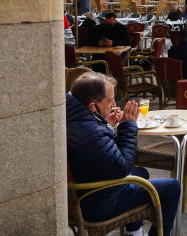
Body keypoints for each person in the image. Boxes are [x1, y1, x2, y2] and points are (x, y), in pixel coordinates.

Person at [66, 73, 180, 236]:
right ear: (92, 106)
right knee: (172, 187)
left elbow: (97, 150)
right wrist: (128, 126)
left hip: (84, 193)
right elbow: (122, 167)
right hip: (99, 203)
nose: (114, 104)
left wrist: (108, 126)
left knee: (141, 172)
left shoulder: (73, 115)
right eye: (109, 100)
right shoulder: (91, 133)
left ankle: (133, 232)